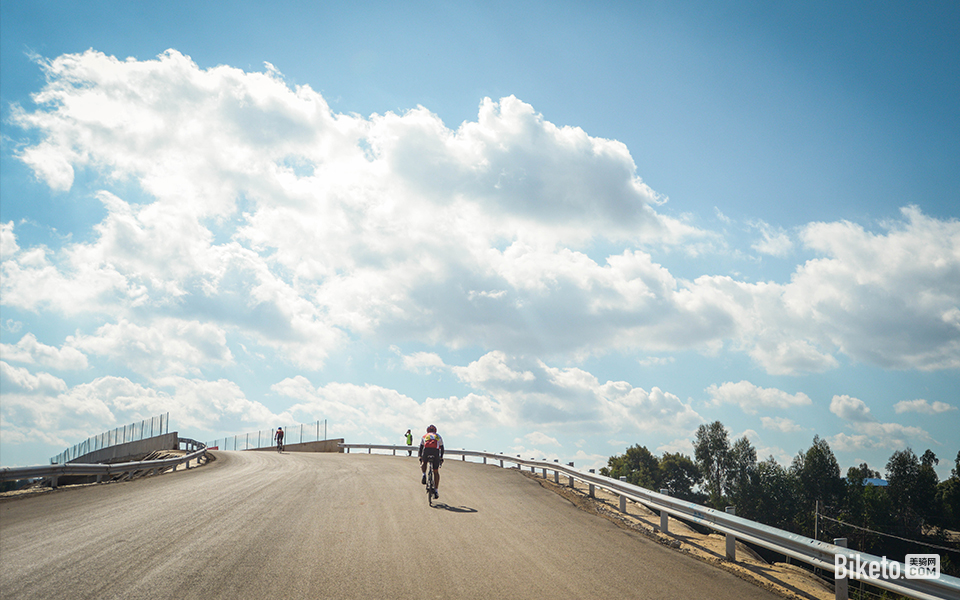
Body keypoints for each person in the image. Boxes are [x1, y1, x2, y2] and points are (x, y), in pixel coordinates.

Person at [418, 425, 444, 499]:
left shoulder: (425, 436)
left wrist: (420, 456)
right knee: (436, 472)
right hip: (435, 452)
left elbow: (421, 447)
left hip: (426, 451)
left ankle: (423, 474)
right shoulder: (438, 436)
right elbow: (442, 448)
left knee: (424, 462)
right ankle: (436, 490)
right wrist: (441, 457)